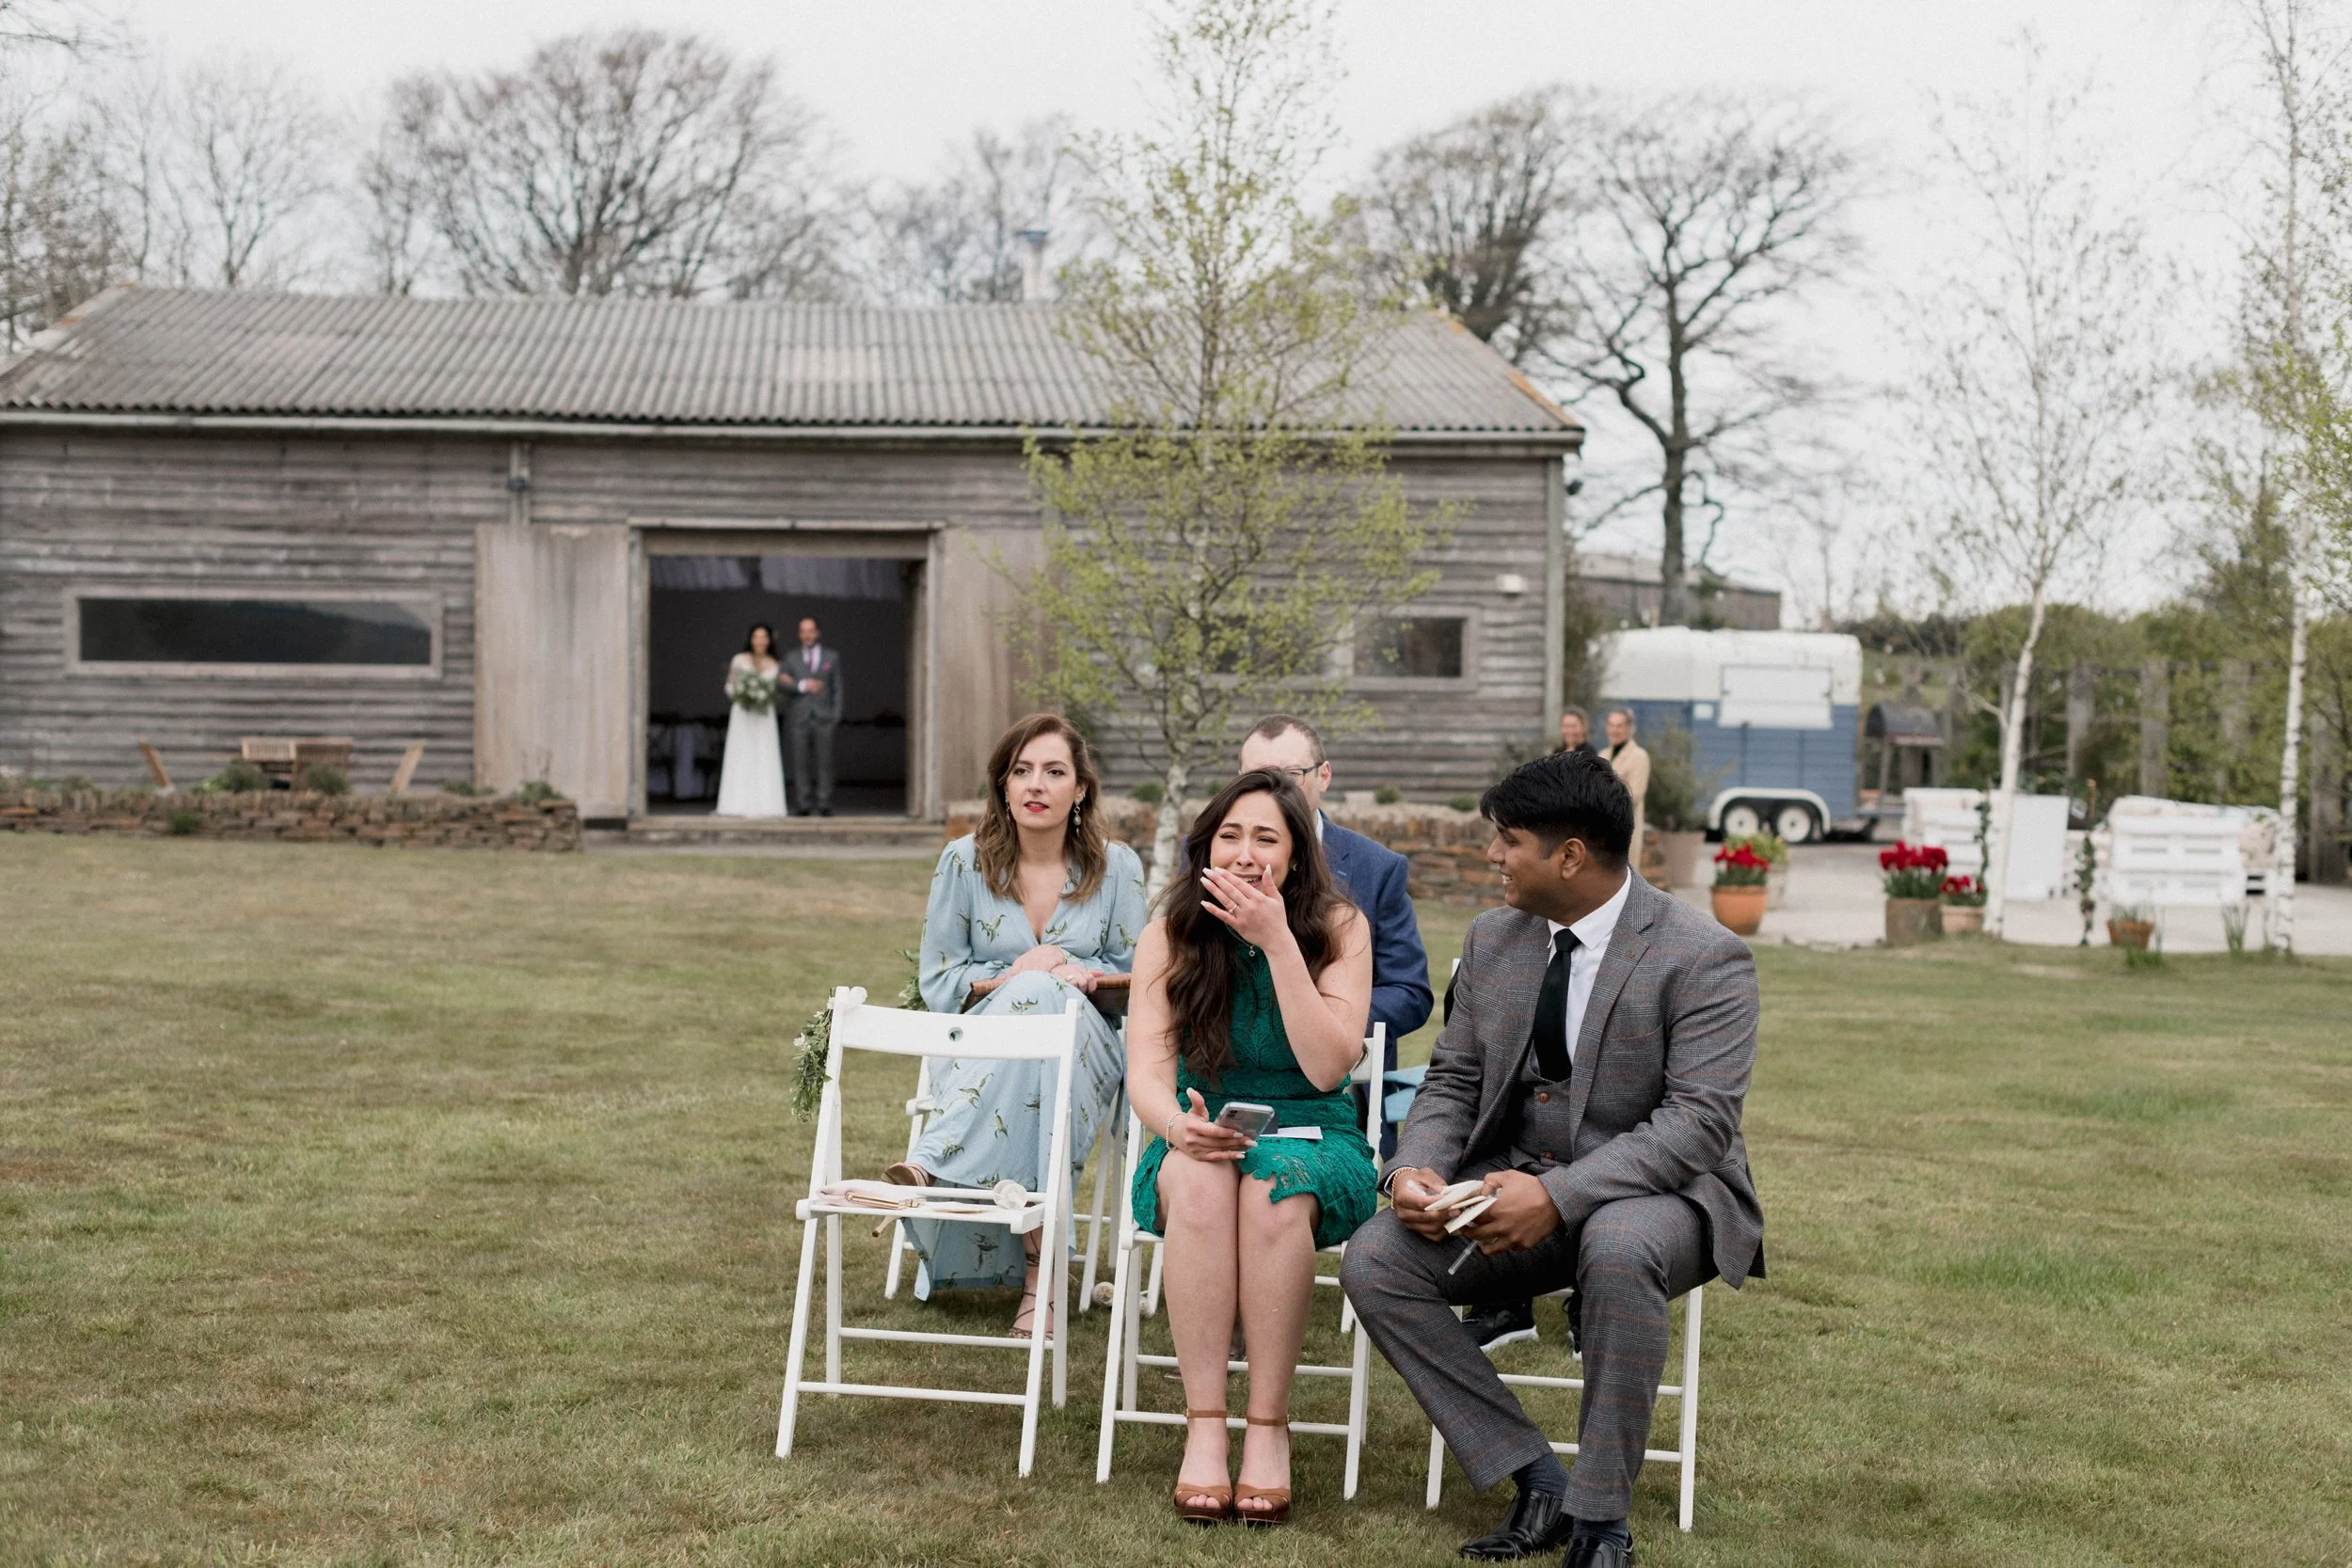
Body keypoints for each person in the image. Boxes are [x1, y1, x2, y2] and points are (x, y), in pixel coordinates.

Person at [1340, 752, 1763, 1568]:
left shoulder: (1703, 955)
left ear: (1570, 855)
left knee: (1618, 1243)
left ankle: (1603, 1524)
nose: (1493, 855)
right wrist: (1413, 1172)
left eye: (1509, 840)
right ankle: (1535, 1476)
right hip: (1508, 1184)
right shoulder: (1494, 937)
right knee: (1378, 1257)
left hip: (1662, 1197)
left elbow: (1697, 1126)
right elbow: (1454, 1076)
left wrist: (1558, 1195)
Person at [1126, 769, 1375, 1527]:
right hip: (1197, 1127)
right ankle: (1205, 1423)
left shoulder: (1340, 929)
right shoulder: (1171, 932)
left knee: (1271, 1192)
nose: (1244, 852)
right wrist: (1176, 1127)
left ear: (1296, 856)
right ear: (1206, 848)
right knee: (1201, 1182)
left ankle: (1267, 1426)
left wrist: (1276, 944)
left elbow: (1331, 1064)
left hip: (1315, 1134)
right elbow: (1148, 1072)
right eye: (1229, 835)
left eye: (1266, 837)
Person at [892, 714, 1145, 1338]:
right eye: (1021, 770)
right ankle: (1042, 1274)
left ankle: (935, 1158)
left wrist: (1060, 968)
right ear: (1002, 785)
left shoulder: (1119, 869)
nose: (1036, 784)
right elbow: (941, 980)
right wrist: (1021, 979)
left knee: (1042, 1000)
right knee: (1033, 1039)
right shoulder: (962, 862)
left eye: (1055, 771)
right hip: (982, 1045)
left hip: (1086, 1045)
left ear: (1080, 788)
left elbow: (1137, 981)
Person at [1235, 716, 1433, 1078]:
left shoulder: (1377, 867)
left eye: (1291, 775)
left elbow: (1409, 992)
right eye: (1255, 778)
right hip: (1230, 1074)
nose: (1272, 791)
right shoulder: (1208, 856)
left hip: (1346, 1087)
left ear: (1323, 776)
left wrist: (1324, 1019)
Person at [713, 625, 787, 818]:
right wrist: (743, 695)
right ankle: (735, 803)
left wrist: (763, 696)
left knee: (764, 753)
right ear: (751, 639)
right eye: (756, 636)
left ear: (769, 640)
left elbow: (779, 688)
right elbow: (730, 686)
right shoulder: (739, 659)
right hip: (743, 713)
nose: (760, 641)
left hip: (764, 715)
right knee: (741, 753)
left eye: (764, 637)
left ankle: (768, 804)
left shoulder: (776, 663)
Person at [784, 617, 842, 816]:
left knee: (825, 762)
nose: (807, 635)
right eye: (803, 631)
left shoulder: (831, 657)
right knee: (800, 763)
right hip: (800, 717)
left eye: (810, 631)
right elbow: (780, 682)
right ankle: (803, 803)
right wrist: (801, 685)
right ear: (799, 634)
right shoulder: (791, 658)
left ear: (817, 632)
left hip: (824, 717)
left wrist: (836, 714)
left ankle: (824, 802)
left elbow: (838, 687)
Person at [1602, 706, 1651, 853]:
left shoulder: (1639, 756)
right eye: (1611, 725)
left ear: (1629, 728)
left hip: (1624, 829)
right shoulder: (1603, 754)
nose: (1614, 730)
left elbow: (1635, 795)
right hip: (1602, 829)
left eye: (1619, 726)